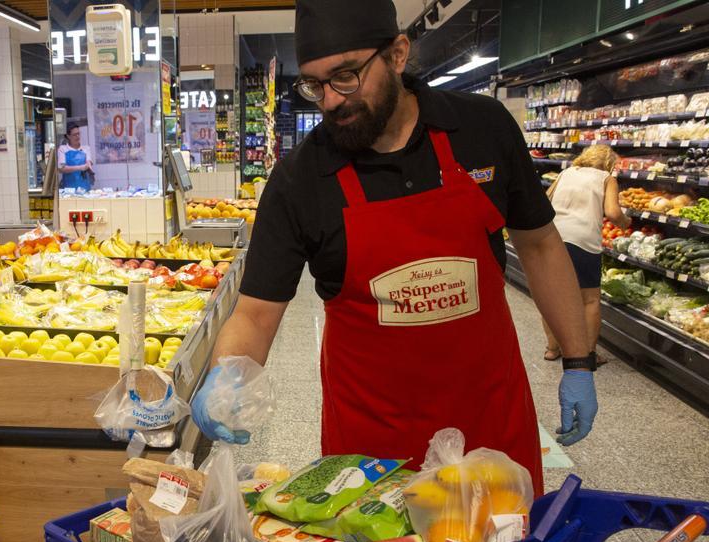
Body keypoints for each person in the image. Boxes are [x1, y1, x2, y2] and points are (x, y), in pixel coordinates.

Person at [189, 0, 599, 495]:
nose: (331, 101)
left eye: (345, 76)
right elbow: (255, 313)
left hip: (490, 426)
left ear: (398, 54)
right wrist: (226, 379)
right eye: (315, 85)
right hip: (371, 450)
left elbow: (539, 245)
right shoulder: (301, 178)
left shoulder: (482, 129)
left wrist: (578, 360)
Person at [542, 145, 630, 363]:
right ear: (609, 164)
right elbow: (612, 212)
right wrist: (625, 222)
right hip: (583, 240)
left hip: (554, 237)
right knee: (589, 300)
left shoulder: (566, 173)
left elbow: (544, 199)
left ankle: (552, 349)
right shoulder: (606, 178)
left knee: (552, 297)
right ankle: (588, 354)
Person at [57, 122, 93, 191]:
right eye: (74, 135)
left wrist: (89, 166)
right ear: (68, 136)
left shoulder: (86, 148)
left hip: (84, 187)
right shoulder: (62, 149)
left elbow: (88, 161)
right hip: (69, 189)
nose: (78, 137)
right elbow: (61, 168)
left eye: (78, 134)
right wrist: (80, 167)